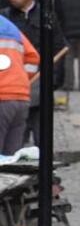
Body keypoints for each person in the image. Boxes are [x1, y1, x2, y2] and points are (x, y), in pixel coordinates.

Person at [2, 0, 65, 146]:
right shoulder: (6, 17)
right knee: (15, 142)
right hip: (13, 89)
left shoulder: (46, 16)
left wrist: (52, 81)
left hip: (40, 86)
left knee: (42, 139)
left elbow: (59, 48)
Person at [0, 13, 38, 154]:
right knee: (11, 157)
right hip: (20, 97)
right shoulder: (10, 27)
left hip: (2, 97)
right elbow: (33, 59)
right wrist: (19, 79)